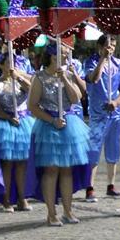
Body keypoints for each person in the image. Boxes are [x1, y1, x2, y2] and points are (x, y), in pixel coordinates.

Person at [28, 44, 91, 226]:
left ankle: (68, 211)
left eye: (66, 54)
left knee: (67, 169)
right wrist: (51, 120)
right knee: (51, 169)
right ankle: (51, 213)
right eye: (63, 54)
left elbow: (76, 98)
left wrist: (65, 77)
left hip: (69, 124)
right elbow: (33, 106)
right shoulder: (39, 77)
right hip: (49, 125)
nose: (66, 57)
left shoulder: (68, 75)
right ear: (52, 56)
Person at [84, 35, 120, 201]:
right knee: (94, 149)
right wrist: (103, 58)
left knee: (113, 149)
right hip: (98, 114)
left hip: (114, 114)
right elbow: (94, 78)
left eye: (113, 45)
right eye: (108, 45)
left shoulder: (118, 64)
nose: (111, 48)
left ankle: (111, 185)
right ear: (99, 46)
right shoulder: (90, 62)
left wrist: (117, 102)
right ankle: (90, 187)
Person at [0, 53, 34, 212]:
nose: (13, 66)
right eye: (8, 63)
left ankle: (22, 197)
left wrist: (18, 77)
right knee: (7, 163)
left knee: (22, 163)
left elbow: (32, 91)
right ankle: (6, 198)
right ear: (1, 65)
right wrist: (7, 116)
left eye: (15, 63)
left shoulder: (21, 81)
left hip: (24, 123)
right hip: (6, 124)